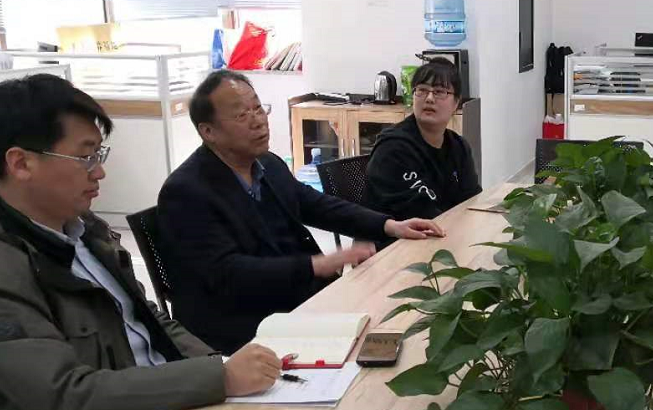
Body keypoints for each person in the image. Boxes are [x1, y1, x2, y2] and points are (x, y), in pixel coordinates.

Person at [0, 74, 283, 410]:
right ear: (21, 164)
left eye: (99, 155)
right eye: (85, 157)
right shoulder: (10, 267)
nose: (99, 172)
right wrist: (218, 379)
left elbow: (149, 320)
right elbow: (62, 394)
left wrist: (220, 366)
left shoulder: (86, 231)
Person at [157, 70, 445, 355]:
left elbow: (316, 205)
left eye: (258, 108)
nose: (258, 121)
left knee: (401, 317)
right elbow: (227, 274)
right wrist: (315, 265)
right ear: (208, 131)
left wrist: (389, 225)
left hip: (297, 301)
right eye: (242, 115)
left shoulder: (268, 164)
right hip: (244, 325)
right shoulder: (186, 192)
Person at [363, 58, 482, 233]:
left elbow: (471, 199)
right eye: (422, 90)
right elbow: (419, 214)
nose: (429, 98)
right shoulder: (393, 148)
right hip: (399, 241)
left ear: (456, 103)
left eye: (439, 92)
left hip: (445, 232)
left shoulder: (459, 146)